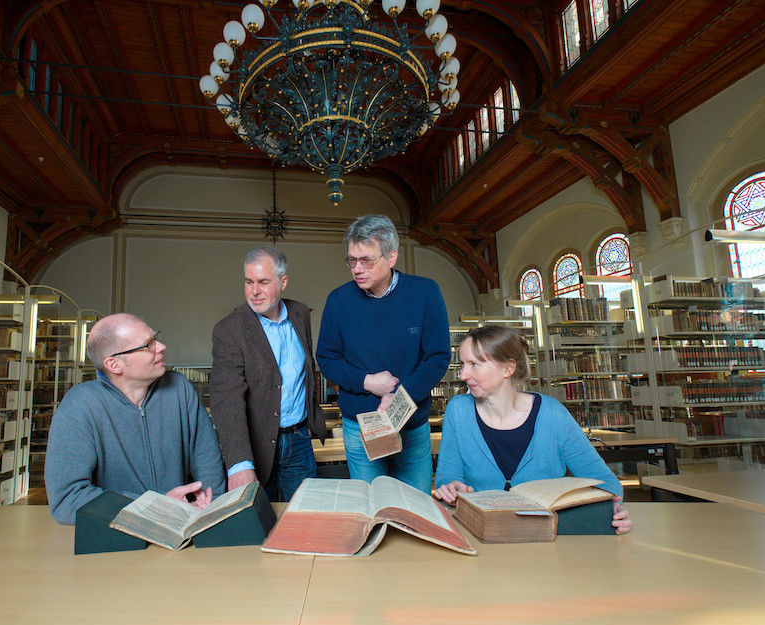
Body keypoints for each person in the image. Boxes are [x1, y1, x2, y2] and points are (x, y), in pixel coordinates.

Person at [433, 325, 632, 534]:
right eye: (463, 364)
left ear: (508, 368)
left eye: (474, 364)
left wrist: (611, 509)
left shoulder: (552, 414)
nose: (463, 375)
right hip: (481, 533)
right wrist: (451, 487)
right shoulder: (458, 410)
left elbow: (607, 483)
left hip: (547, 539)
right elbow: (447, 475)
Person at [45, 313, 226, 524]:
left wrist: (210, 505)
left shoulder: (180, 389)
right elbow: (67, 500)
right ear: (114, 365)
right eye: (148, 345)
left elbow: (207, 460)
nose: (161, 346)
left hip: (185, 526)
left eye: (155, 337)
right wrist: (154, 508)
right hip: (117, 537)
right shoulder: (79, 406)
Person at [316, 214, 450, 491]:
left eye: (366, 260)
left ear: (391, 257)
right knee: (371, 506)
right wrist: (368, 382)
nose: (357, 268)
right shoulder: (338, 300)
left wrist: (401, 398)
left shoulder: (425, 293)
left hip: (412, 423)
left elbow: (438, 356)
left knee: (417, 509)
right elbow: (327, 359)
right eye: (352, 260)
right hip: (359, 425)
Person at [210, 246, 326, 501]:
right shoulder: (229, 330)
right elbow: (226, 400)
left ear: (283, 282)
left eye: (263, 282)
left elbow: (306, 372)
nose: (254, 291)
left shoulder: (300, 313)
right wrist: (239, 464)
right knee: (257, 527)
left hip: (299, 440)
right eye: (249, 282)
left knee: (302, 522)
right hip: (255, 446)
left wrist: (309, 421)